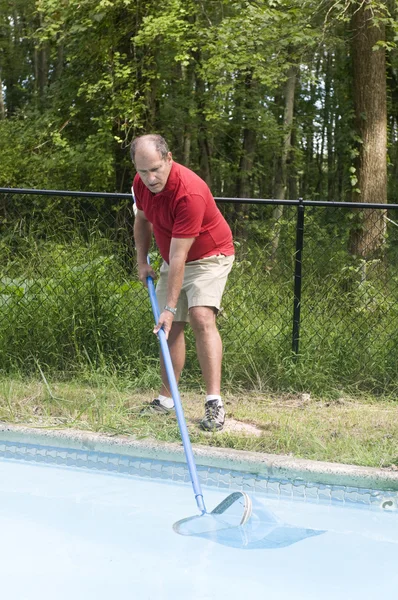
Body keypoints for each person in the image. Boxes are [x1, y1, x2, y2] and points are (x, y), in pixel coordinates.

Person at [131, 134, 234, 431]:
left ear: (169, 158)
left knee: (200, 316)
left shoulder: (190, 192)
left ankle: (214, 403)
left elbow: (180, 256)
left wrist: (170, 306)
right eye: (142, 171)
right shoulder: (141, 185)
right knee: (170, 328)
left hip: (209, 255)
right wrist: (142, 262)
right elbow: (142, 221)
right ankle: (166, 400)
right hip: (172, 257)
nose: (150, 178)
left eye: (155, 169)